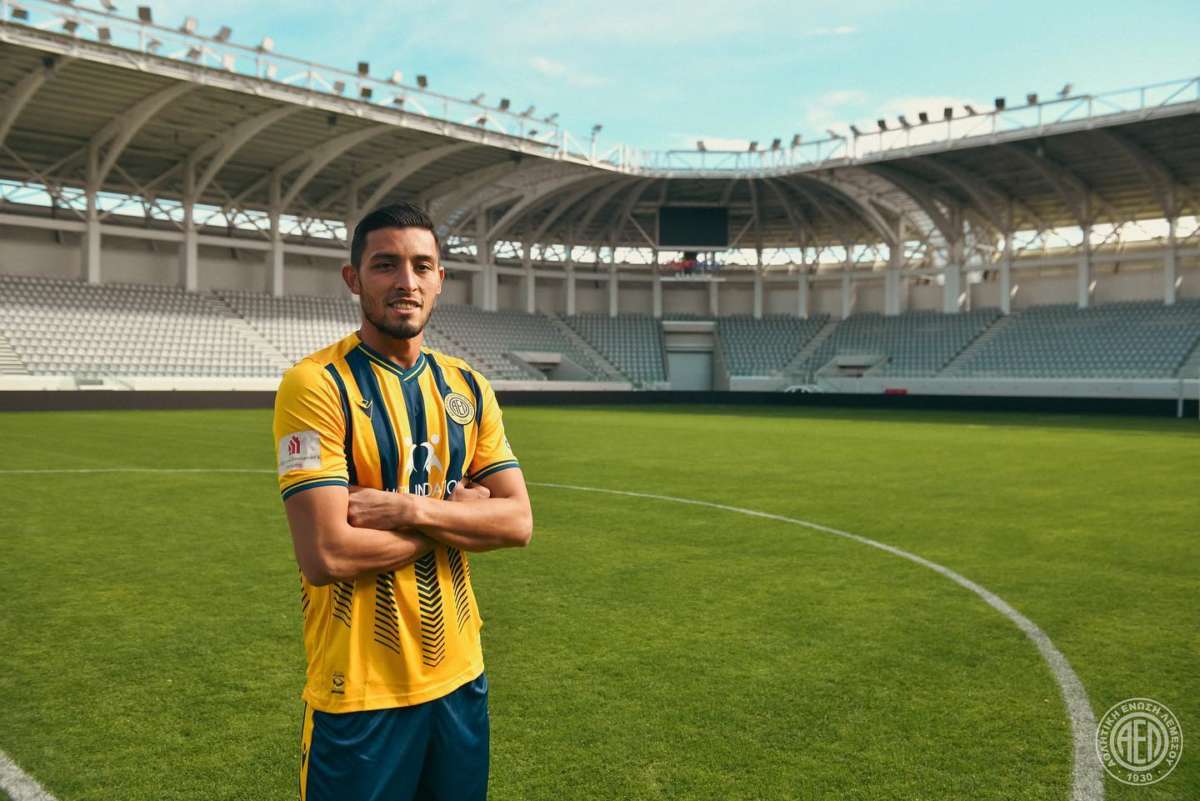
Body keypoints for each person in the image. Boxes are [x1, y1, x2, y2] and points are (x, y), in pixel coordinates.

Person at [272, 202, 533, 801]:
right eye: (385, 264)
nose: (405, 281)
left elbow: (518, 522)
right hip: (359, 691)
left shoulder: (467, 387)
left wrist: (409, 510)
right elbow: (328, 554)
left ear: (440, 278)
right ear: (354, 278)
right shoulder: (316, 385)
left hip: (461, 679)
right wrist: (462, 515)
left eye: (421, 266)